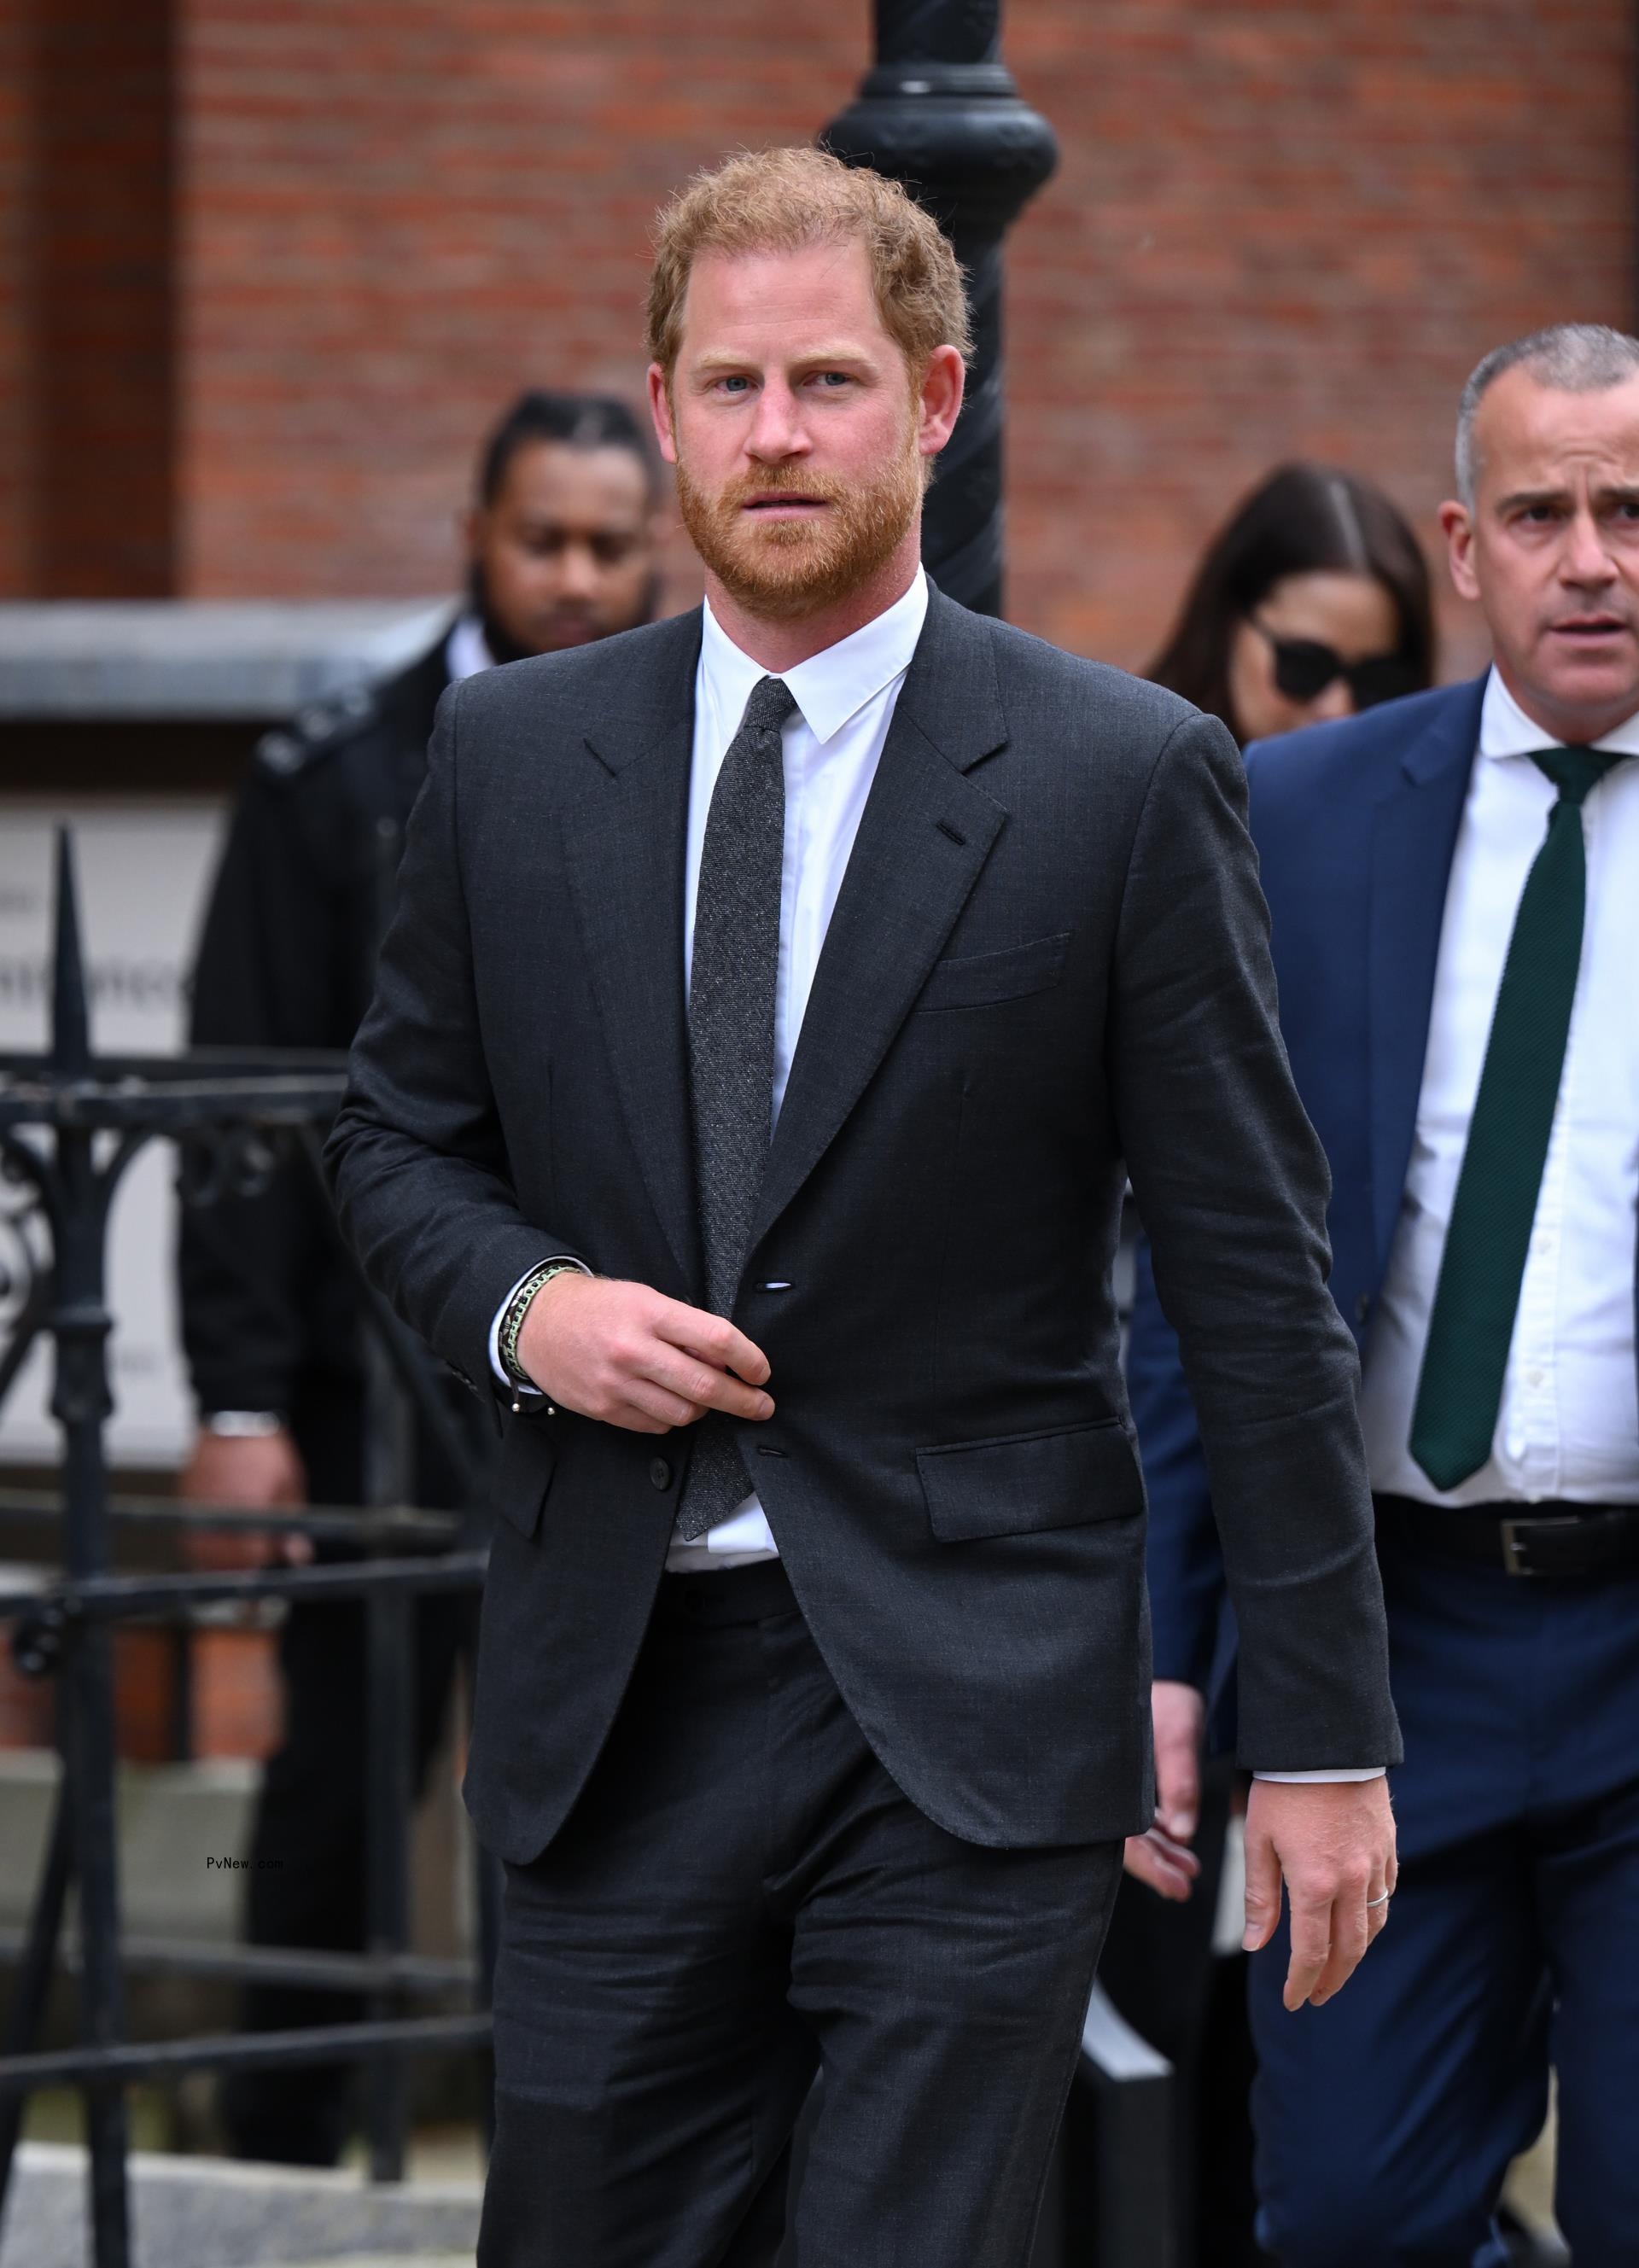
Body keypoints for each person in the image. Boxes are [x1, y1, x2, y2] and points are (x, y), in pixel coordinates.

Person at [324, 148, 1400, 2268]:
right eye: (731, 386)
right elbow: (389, 1141)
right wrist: (534, 1309)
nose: (777, 434)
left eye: (830, 381)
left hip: (967, 1712)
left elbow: (1256, 1284)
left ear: (936, 399)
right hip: (613, 1702)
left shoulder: (1119, 777)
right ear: (664, 410)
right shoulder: (511, 756)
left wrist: (1325, 1736)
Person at [1126, 323, 1639, 2265]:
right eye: (1542, 513)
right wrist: (1167, 1647)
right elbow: (1204, 1276)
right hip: (1373, 1647)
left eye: (1632, 511)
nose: (1591, 558)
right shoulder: (1300, 811)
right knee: (1346, 2216)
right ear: (1465, 546)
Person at [177, 388, 665, 2167]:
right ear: (475, 537)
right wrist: (240, 1401)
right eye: (544, 539)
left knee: (605, 1790)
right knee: (338, 1784)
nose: (577, 577)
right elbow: (243, 1110)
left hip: (617, 1384)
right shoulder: (333, 774)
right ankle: (281, 2151)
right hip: (365, 1383)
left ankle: (579, 2164)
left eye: (611, 543)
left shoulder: (704, 743)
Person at [1105, 460, 1437, 2265]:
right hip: (1119, 1497)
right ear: (1224, 630)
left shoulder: (1395, 850)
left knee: (1290, 2063)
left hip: (1325, 1532)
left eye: (1377, 679)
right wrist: (1163, 1627)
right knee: (1143, 2024)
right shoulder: (1135, 799)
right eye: (1302, 663)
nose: (1331, 708)